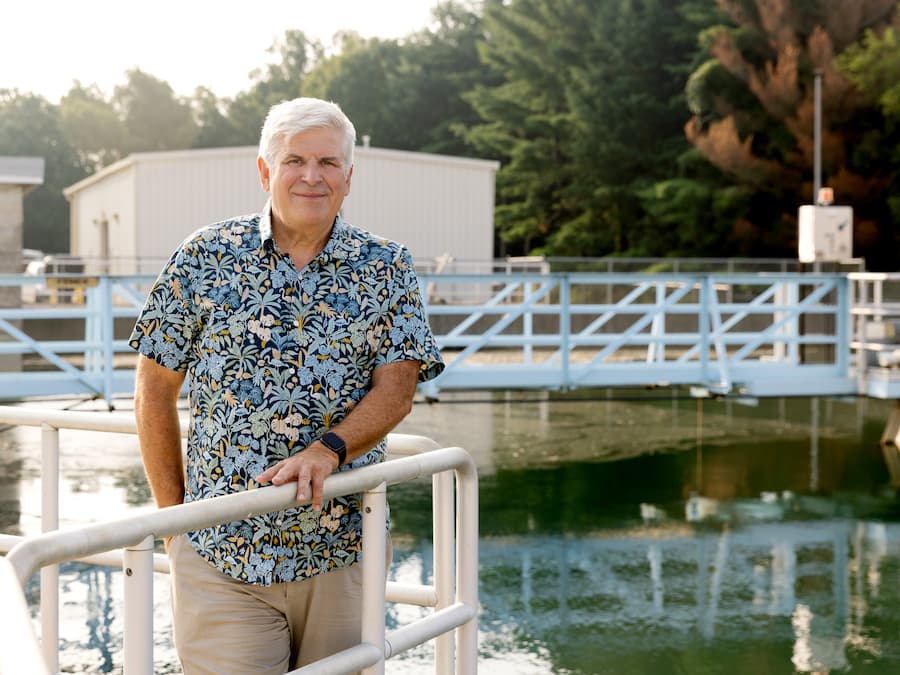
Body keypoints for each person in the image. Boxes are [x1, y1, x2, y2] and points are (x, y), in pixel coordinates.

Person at [130, 97, 444, 674]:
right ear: (264, 170)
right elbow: (153, 391)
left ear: (349, 177)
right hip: (222, 555)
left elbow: (397, 389)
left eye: (328, 162)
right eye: (295, 159)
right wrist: (173, 523)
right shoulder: (205, 257)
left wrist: (328, 449)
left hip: (341, 551)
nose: (311, 175)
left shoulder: (387, 266)